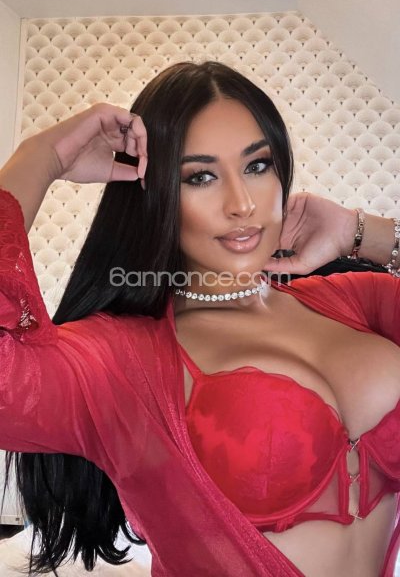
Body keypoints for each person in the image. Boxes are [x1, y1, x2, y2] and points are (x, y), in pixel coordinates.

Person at [0, 61, 399, 577]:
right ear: (154, 192)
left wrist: (361, 233)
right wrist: (40, 157)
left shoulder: (359, 302)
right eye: (201, 176)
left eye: (258, 165)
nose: (242, 204)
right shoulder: (122, 361)